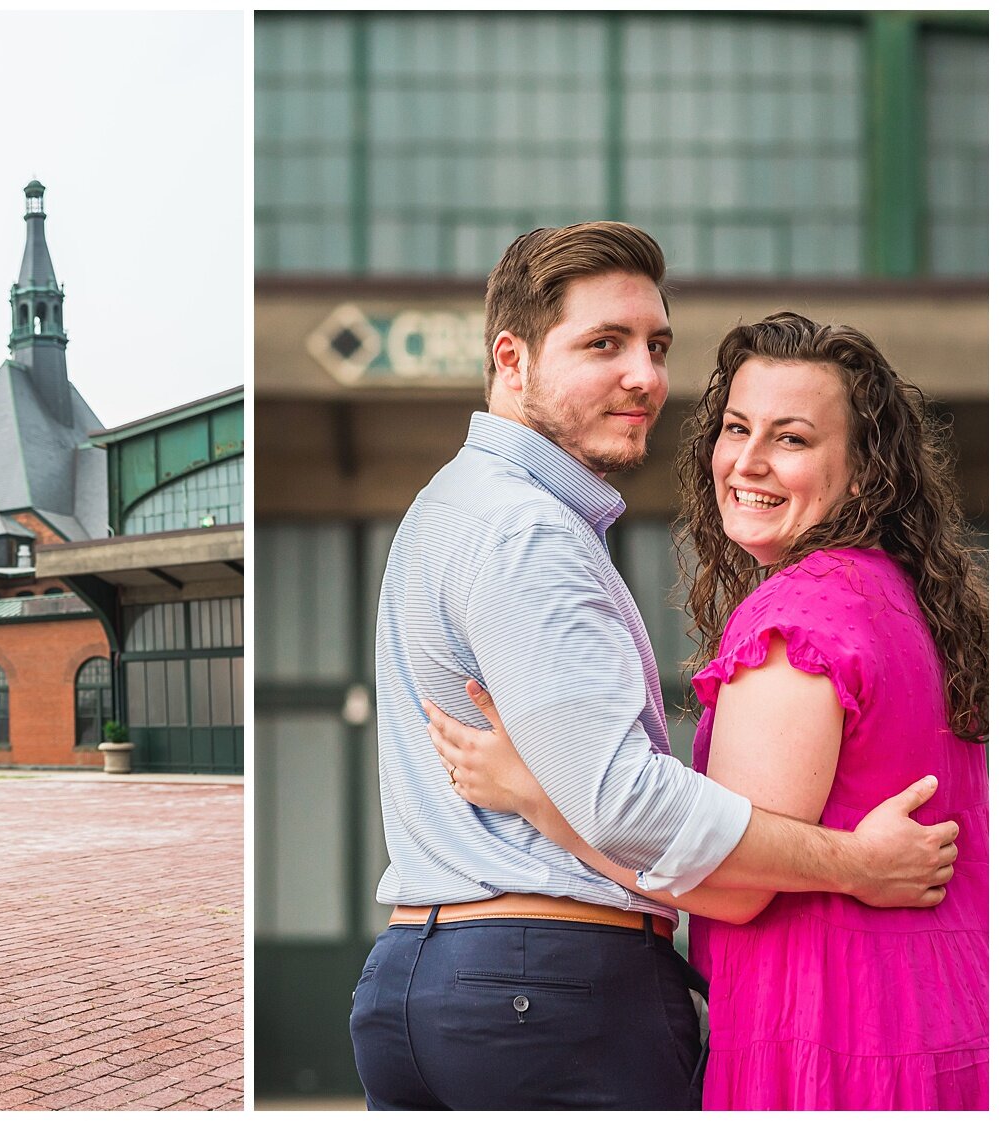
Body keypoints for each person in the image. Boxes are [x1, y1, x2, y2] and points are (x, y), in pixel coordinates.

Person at [349, 222, 960, 1111]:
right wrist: (854, 864)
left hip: (432, 981)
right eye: (606, 343)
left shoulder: (450, 506)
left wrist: (535, 792)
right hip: (548, 993)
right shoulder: (527, 531)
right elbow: (630, 804)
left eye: (656, 345)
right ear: (511, 360)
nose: (646, 375)